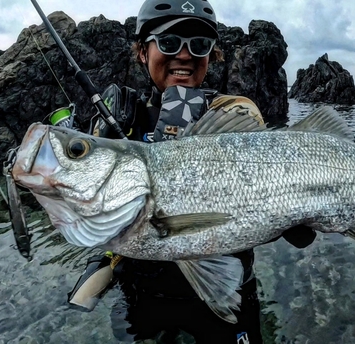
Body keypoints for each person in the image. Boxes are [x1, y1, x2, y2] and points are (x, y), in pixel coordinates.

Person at [68, 0, 317, 343]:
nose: (184, 55)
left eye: (199, 45)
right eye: (169, 43)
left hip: (227, 291)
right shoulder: (120, 122)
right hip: (142, 295)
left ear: (212, 55)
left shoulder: (234, 111)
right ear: (142, 52)